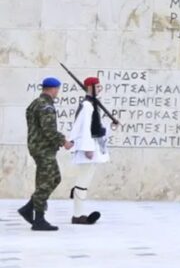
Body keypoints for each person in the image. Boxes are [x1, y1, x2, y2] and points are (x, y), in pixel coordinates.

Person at [18, 77, 74, 231]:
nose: (58, 92)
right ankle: (38, 218)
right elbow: (48, 129)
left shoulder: (35, 103)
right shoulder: (46, 106)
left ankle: (30, 209)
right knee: (49, 181)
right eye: (57, 89)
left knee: (51, 179)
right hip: (43, 149)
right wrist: (64, 141)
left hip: (38, 147)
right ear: (53, 89)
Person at [68, 76, 111, 225]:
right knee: (83, 181)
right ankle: (78, 215)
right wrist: (88, 148)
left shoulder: (92, 103)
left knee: (85, 181)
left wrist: (111, 127)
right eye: (97, 87)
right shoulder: (87, 105)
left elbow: (96, 127)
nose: (100, 89)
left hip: (92, 146)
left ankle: (79, 214)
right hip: (88, 148)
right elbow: (84, 128)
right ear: (90, 87)